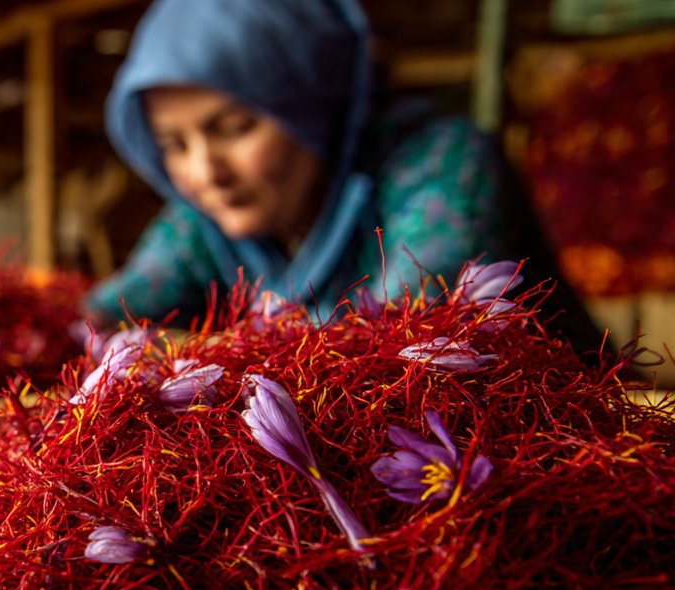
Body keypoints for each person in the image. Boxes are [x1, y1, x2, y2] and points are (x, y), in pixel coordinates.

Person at [87, 0, 604, 355]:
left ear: (309, 109)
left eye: (234, 128)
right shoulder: (205, 221)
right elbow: (103, 317)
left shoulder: (440, 163)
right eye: (174, 146)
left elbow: (401, 333)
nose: (204, 172)